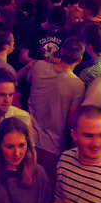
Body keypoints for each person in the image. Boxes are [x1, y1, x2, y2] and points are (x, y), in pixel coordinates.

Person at [27, 36, 86, 186]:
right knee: (45, 191)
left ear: (59, 51)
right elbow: (71, 121)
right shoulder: (77, 85)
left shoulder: (39, 66)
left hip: (28, 139)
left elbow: (28, 80)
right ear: (80, 59)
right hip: (52, 148)